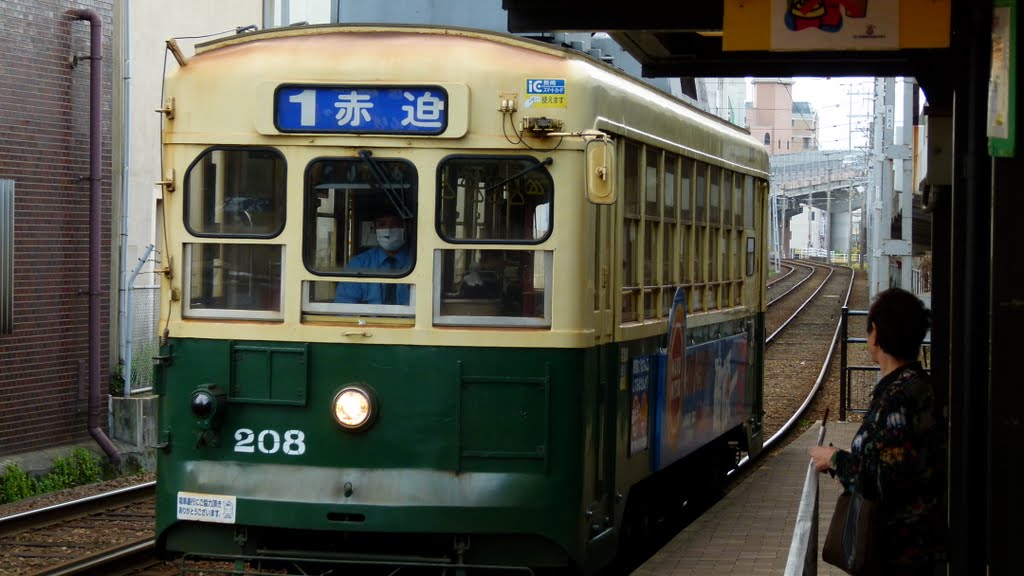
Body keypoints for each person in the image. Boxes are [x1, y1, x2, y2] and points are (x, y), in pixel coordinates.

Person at [810, 288, 945, 575]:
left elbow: (887, 480)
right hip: (921, 550)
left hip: (898, 554)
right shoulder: (920, 388)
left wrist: (834, 459)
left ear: (876, 335)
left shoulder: (898, 398)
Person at [334, 210, 411, 305]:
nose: (388, 230)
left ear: (405, 227)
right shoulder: (359, 264)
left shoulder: (420, 261)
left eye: (395, 224)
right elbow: (344, 307)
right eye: (382, 225)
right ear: (374, 229)